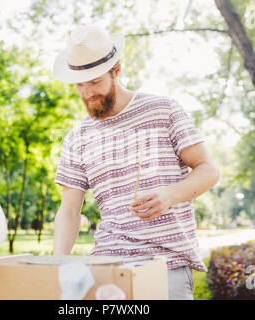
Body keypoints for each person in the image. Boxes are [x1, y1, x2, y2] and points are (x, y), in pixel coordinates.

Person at [52, 25, 220, 300]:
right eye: (79, 84)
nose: (86, 93)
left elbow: (209, 170)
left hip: (166, 266)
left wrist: (170, 194)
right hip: (106, 268)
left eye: (94, 82)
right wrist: (56, 267)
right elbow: (69, 211)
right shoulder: (76, 137)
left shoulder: (164, 110)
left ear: (116, 70)